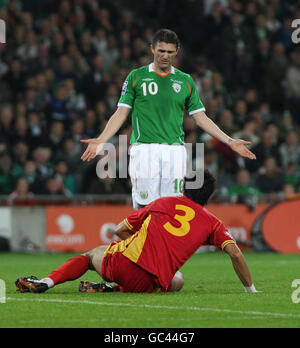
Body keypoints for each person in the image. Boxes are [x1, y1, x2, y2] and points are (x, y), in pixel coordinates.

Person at [80, 29, 256, 209]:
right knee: (145, 207)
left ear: (177, 52)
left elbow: (201, 118)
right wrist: (102, 139)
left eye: (170, 52)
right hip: (145, 149)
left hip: (175, 152)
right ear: (152, 49)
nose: (165, 56)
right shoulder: (136, 77)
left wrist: (230, 141)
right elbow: (121, 113)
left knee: (171, 209)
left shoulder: (185, 80)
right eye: (161, 51)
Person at [16, 170, 259, 294]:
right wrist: (250, 290)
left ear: (185, 187)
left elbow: (120, 229)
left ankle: (46, 283)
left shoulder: (164, 202)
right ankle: (113, 288)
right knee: (178, 280)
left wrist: (138, 246)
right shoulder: (213, 223)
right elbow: (236, 254)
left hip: (124, 265)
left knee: (92, 255)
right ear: (210, 196)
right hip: (150, 283)